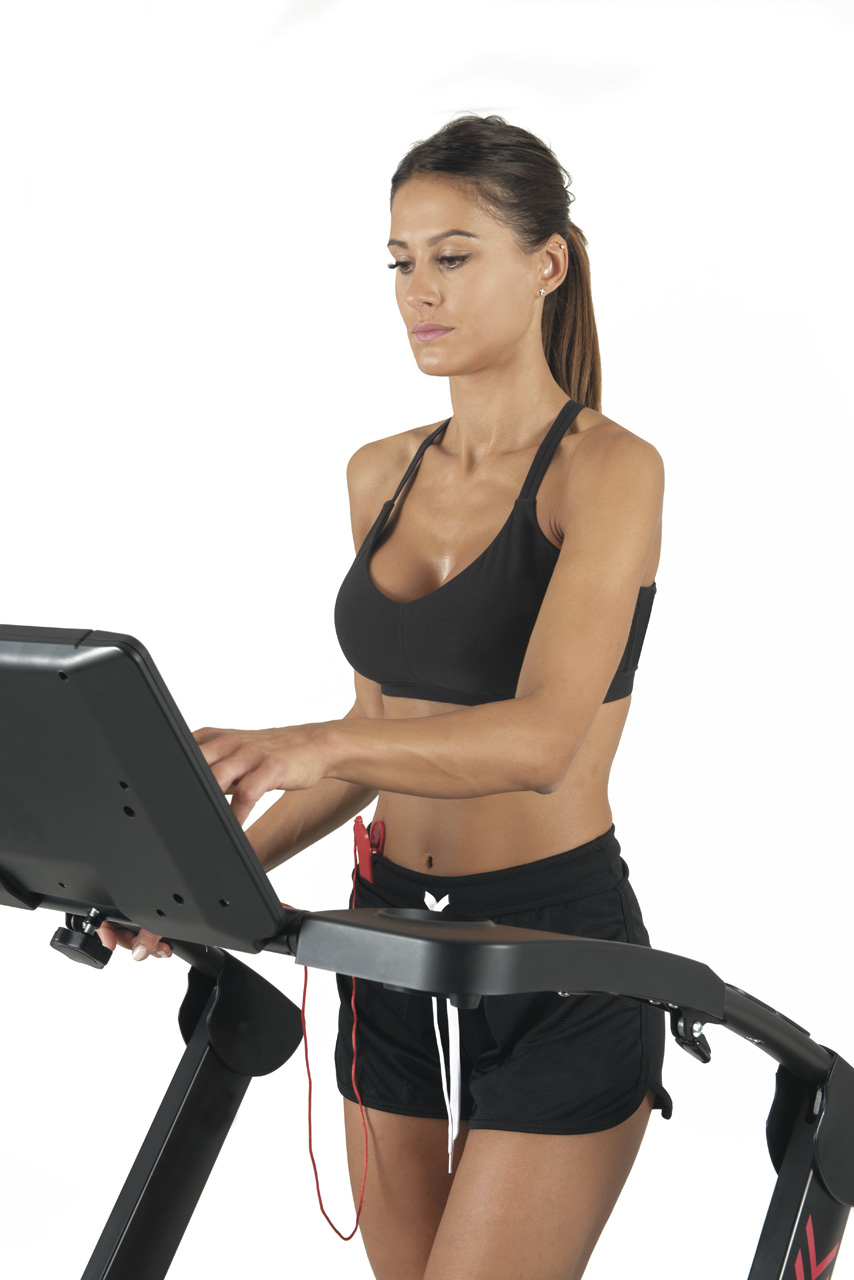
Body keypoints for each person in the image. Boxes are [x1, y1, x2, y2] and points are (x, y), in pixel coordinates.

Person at [98, 112, 672, 1280]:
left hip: (552, 947)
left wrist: (306, 742)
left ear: (546, 263)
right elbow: (374, 745)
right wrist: (201, 885)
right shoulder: (381, 473)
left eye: (452, 255)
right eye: (401, 260)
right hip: (385, 938)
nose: (420, 289)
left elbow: (543, 740)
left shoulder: (607, 469)